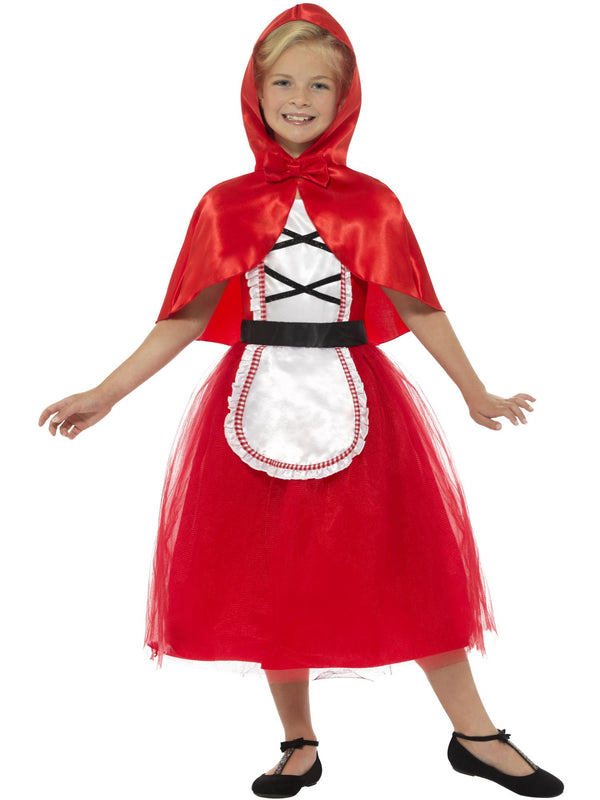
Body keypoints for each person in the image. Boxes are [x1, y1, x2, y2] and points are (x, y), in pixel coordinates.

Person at [38, 4, 564, 798]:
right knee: (270, 576)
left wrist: (474, 390)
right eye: (283, 82)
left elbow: (418, 303)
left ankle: (475, 735)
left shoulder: (373, 201)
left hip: (361, 402)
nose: (300, 98)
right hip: (251, 401)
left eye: (320, 85)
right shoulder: (223, 204)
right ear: (254, 92)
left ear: (346, 98)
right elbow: (183, 317)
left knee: (409, 568)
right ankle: (299, 743)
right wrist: (105, 393)